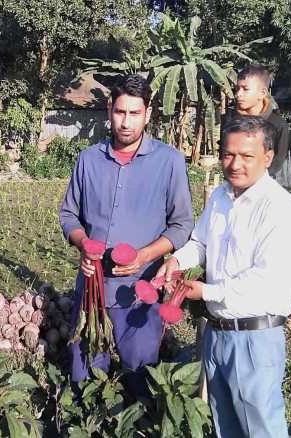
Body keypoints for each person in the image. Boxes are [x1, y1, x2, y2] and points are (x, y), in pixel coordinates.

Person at [156, 115, 291, 438]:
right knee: (225, 426)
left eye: (246, 156)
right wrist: (177, 261)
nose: (235, 164)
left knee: (261, 427)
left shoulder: (278, 208)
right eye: (228, 154)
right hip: (217, 334)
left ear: (267, 157)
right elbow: (200, 243)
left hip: (254, 337)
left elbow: (264, 280)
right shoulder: (222, 196)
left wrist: (205, 292)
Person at [59, 74, 194, 398]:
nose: (126, 122)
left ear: (148, 114)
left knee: (141, 380)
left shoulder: (169, 162)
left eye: (135, 114)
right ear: (110, 111)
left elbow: (181, 225)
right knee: (85, 378)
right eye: (120, 112)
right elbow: (69, 214)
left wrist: (145, 256)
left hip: (139, 295)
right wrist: (82, 244)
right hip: (92, 291)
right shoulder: (89, 160)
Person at [221, 65, 289, 177]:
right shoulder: (230, 121)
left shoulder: (277, 124)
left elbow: (278, 159)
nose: (239, 94)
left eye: (245, 89)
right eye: (237, 89)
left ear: (262, 93)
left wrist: (257, 179)